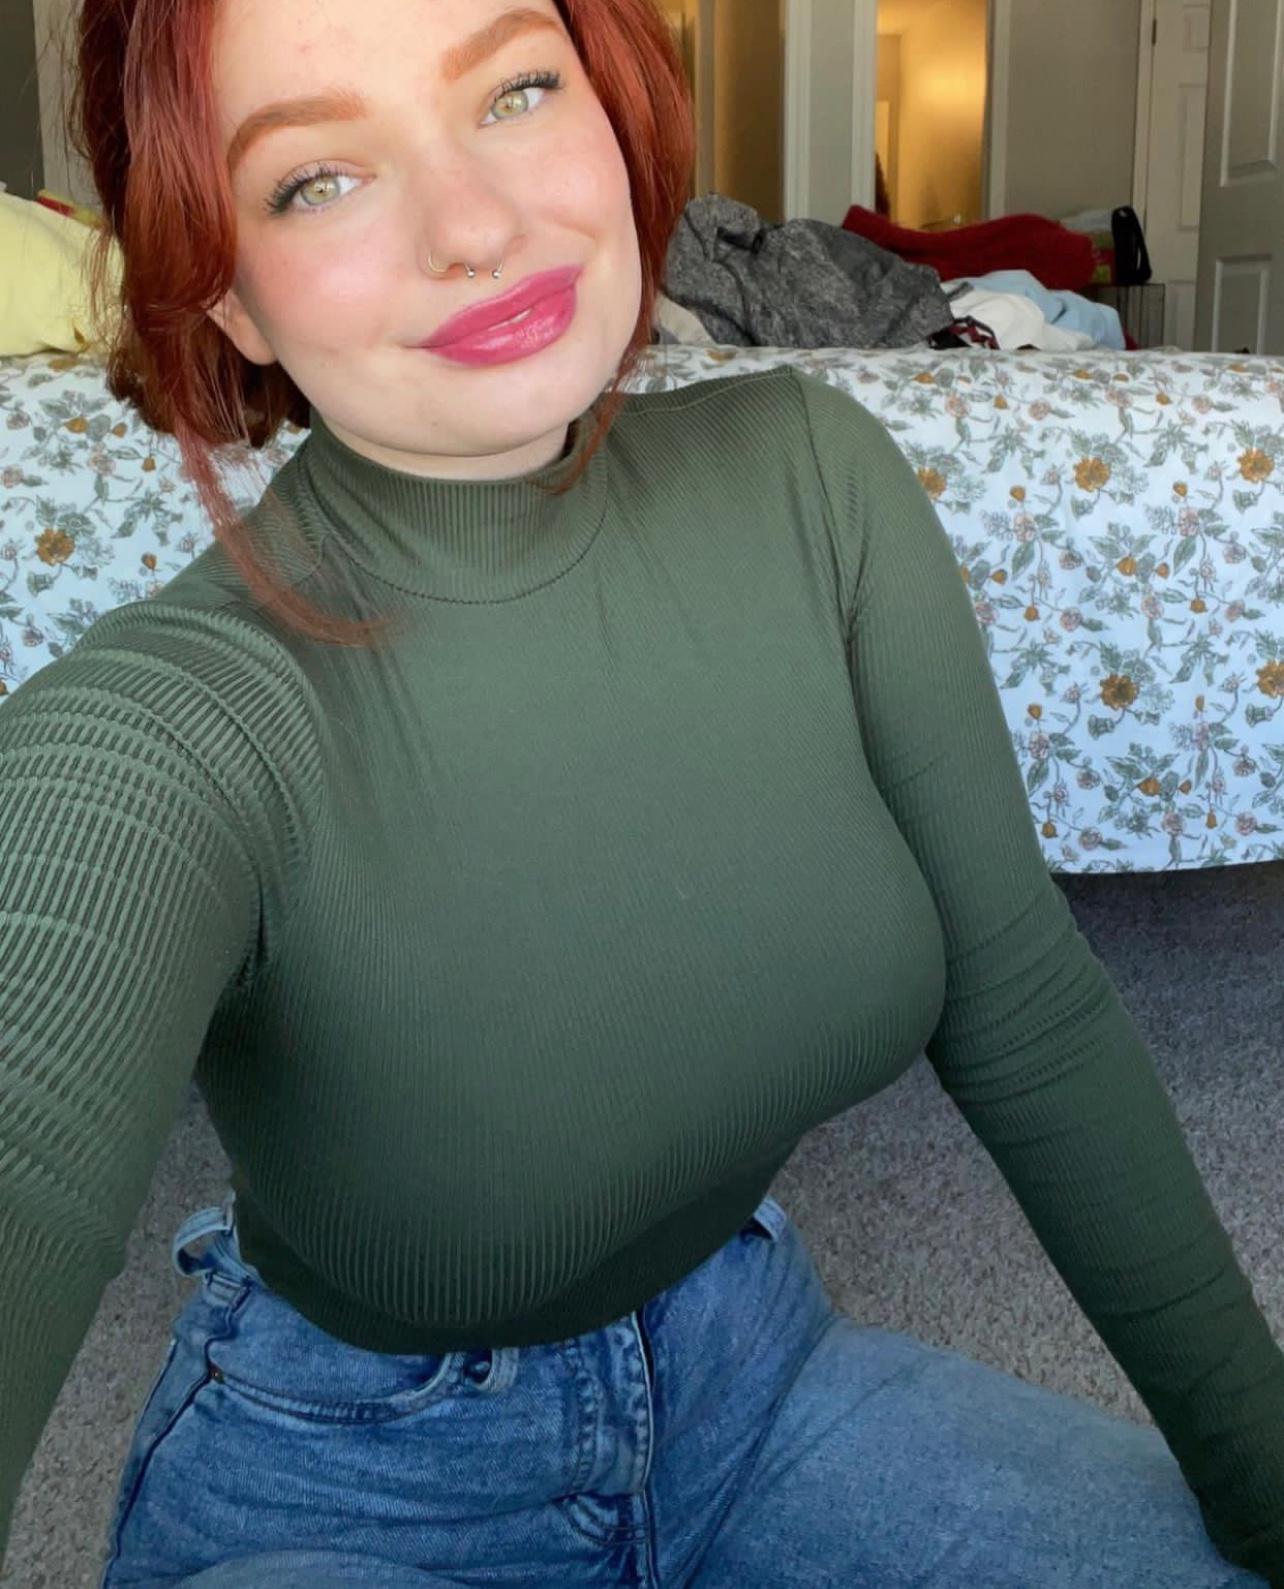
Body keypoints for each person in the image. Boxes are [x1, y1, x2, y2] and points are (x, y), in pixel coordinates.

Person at [1, 0, 1282, 1583]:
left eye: (515, 90)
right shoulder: (179, 714)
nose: (476, 225)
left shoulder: (817, 479)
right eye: (316, 179)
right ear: (228, 293)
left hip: (759, 1368)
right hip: (348, 1486)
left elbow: (1028, 1009)